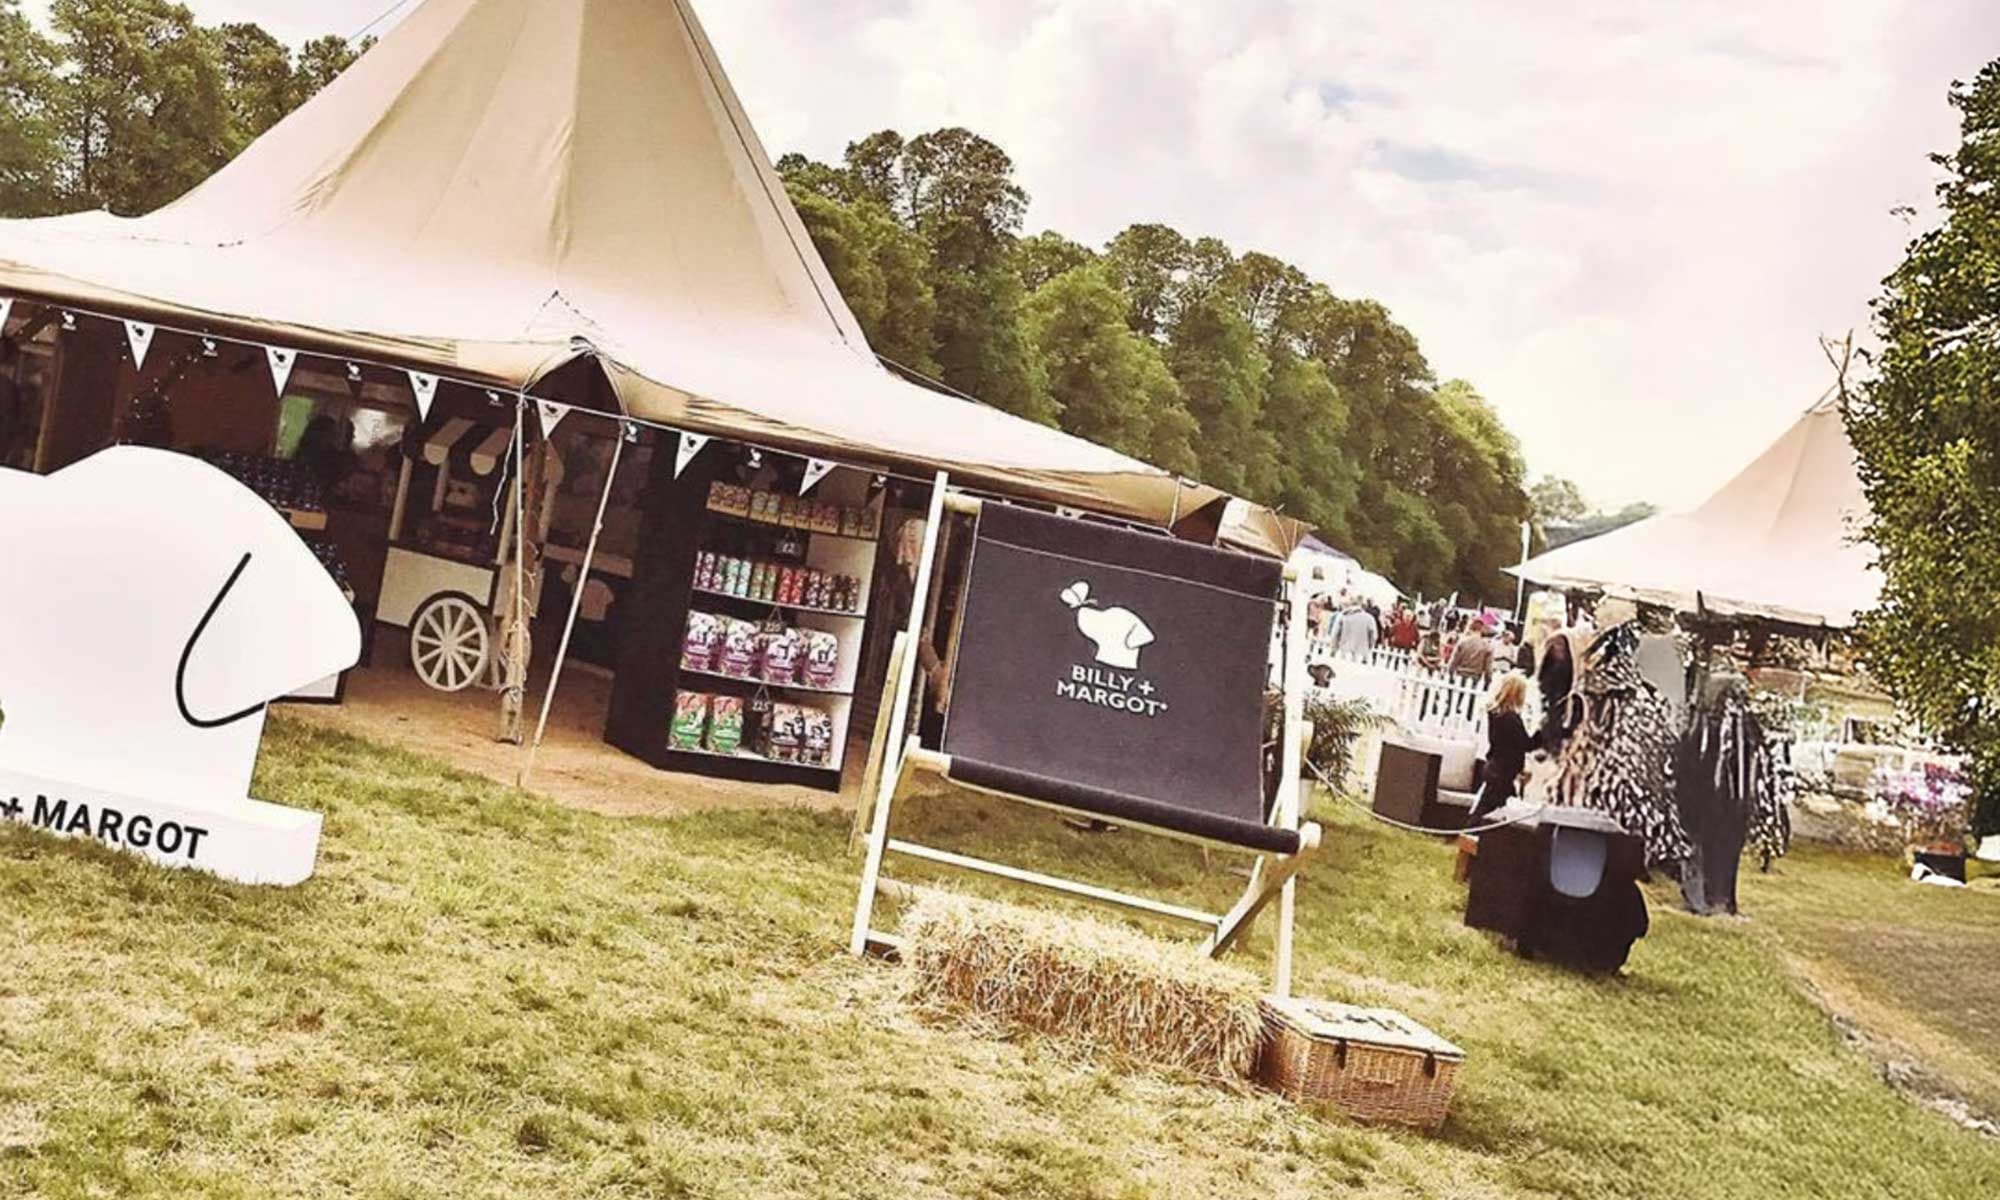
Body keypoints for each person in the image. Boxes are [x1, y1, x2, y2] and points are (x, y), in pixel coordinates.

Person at [1475, 672, 1541, 817]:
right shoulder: (1511, 719)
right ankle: (1469, 834)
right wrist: (1541, 733)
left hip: (1496, 767)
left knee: (1492, 807)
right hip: (1503, 772)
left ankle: (1471, 834)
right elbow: (1526, 744)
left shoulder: (1496, 714)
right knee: (1490, 809)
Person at [1537, 628, 1579, 755]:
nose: (1557, 648)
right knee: (1549, 718)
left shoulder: (1569, 663)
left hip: (1562, 695)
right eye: (1556, 645)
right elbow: (1542, 675)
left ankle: (1553, 744)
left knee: (1556, 719)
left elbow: (1571, 678)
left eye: (1560, 645)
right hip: (1550, 693)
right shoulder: (1551, 660)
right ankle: (1547, 744)